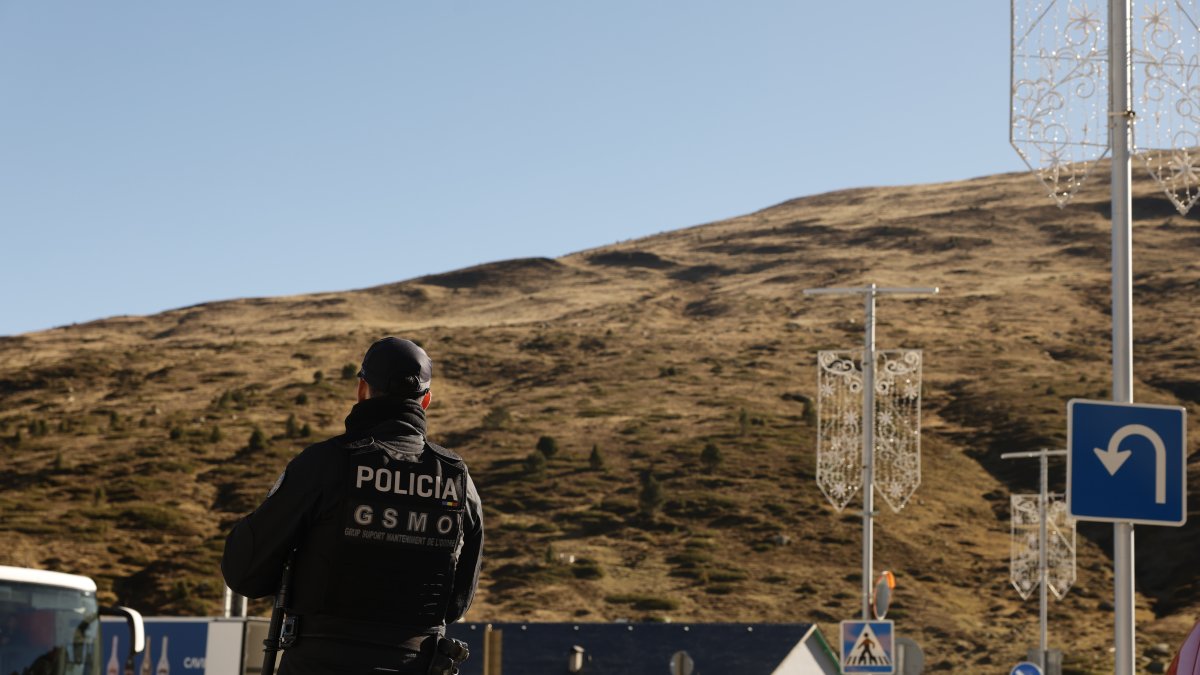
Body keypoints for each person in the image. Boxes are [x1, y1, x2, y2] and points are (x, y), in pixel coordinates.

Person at [222, 337, 484, 675]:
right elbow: (457, 603)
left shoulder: (325, 463)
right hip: (415, 663)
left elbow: (244, 574)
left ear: (362, 389)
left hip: (319, 662)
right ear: (426, 401)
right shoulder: (459, 480)